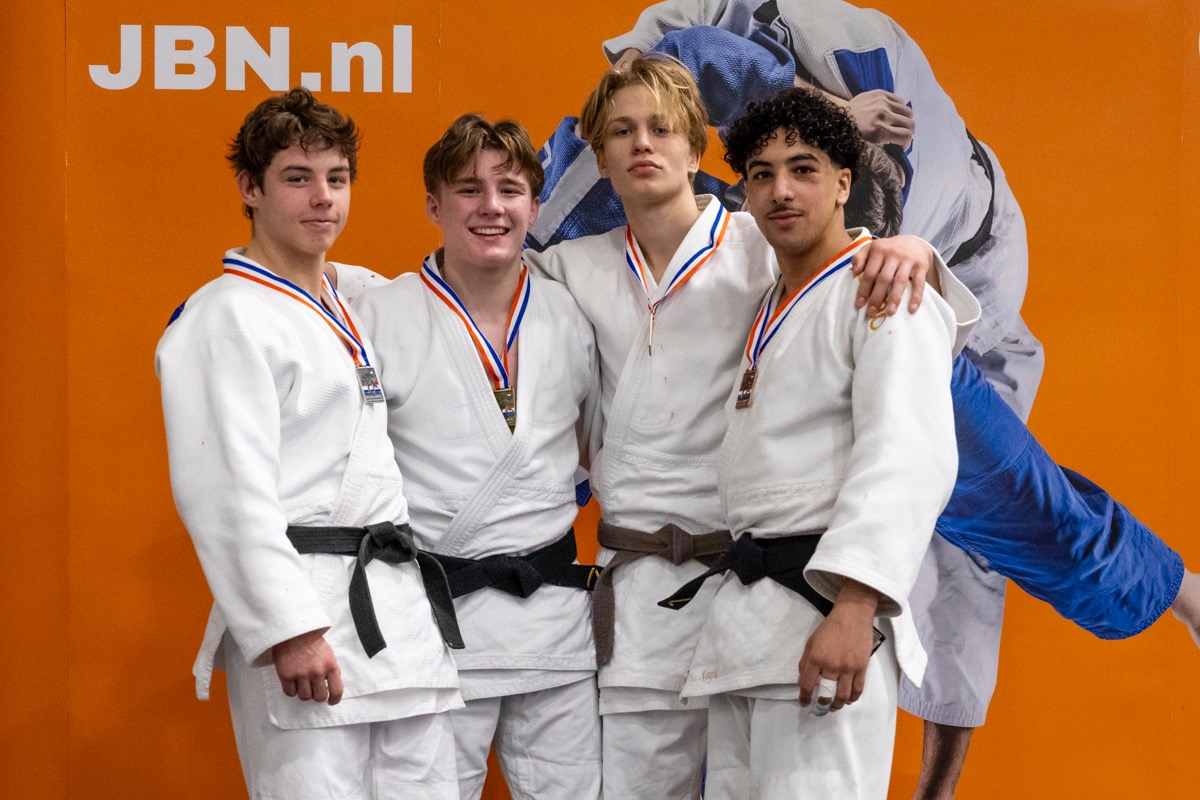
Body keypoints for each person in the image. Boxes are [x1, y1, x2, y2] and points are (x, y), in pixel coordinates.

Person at [524, 55, 951, 800]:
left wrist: (915, 251)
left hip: (790, 583)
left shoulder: (790, 254)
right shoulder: (569, 270)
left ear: (696, 150)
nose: (643, 144)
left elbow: (908, 448)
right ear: (598, 155)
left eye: (662, 128)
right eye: (622, 131)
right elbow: (485, 303)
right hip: (699, 599)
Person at [155, 87, 463, 800]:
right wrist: (287, 628)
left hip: (395, 612)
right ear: (250, 188)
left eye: (337, 178)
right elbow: (225, 492)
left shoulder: (345, 301)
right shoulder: (226, 317)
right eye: (297, 178)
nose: (323, 197)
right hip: (310, 613)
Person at [667, 84, 960, 800]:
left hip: (824, 609)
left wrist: (856, 606)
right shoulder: (769, 300)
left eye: (803, 169)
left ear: (844, 183)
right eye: (761, 174)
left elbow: (908, 457)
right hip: (749, 625)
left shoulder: (884, 291)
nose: (781, 190)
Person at [353, 115, 603, 800]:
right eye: (468, 189)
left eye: (510, 190)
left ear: (536, 206)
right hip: (434, 626)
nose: (491, 207)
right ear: (434, 206)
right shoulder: (378, 317)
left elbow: (594, 448)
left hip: (553, 627)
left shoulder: (571, 314)